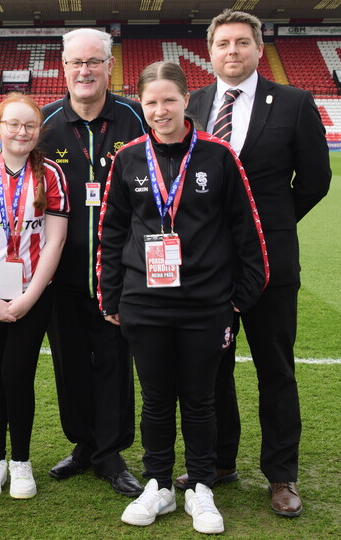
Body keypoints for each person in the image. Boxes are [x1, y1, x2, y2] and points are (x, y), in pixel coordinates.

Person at [99, 61, 268, 535]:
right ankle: (158, 484)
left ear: (186, 101)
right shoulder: (129, 158)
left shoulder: (218, 156)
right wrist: (111, 294)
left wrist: (240, 298)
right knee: (154, 400)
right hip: (144, 301)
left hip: (205, 303)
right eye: (150, 102)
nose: (160, 110)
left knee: (199, 401)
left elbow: (246, 230)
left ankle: (200, 487)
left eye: (169, 100)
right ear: (141, 104)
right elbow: (111, 232)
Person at [180, 10, 331, 517]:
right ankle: (219, 462)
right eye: (223, 43)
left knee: (275, 369)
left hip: (270, 265)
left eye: (242, 42)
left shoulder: (294, 102)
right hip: (206, 267)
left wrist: (268, 228)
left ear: (258, 48)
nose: (233, 51)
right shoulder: (193, 104)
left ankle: (282, 474)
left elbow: (314, 179)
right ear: (211, 51)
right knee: (211, 370)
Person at [40, 27, 146, 496]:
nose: (84, 71)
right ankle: (83, 445)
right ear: (63, 68)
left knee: (114, 364)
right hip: (58, 274)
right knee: (70, 364)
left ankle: (111, 452)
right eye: (75, 63)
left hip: (119, 274)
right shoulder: (42, 122)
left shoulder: (136, 117)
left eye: (94, 62)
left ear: (108, 66)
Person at [0, 94, 69, 500]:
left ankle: (21, 462)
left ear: (38, 131)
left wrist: (28, 298)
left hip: (34, 292)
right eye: (13, 124)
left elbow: (55, 241)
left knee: (18, 374)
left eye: (29, 125)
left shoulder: (52, 174)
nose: (21, 132)